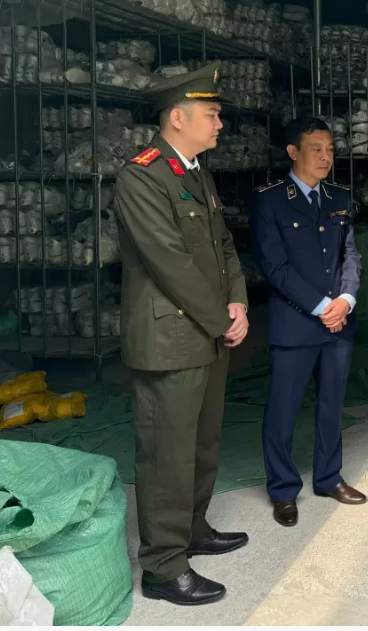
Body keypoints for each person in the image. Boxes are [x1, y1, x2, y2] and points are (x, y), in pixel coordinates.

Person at [113, 61, 250, 607]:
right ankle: (164, 567)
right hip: (170, 340)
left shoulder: (195, 174)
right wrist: (223, 319)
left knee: (202, 442)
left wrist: (237, 300)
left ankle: (192, 529)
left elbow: (223, 246)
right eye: (211, 115)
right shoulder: (142, 177)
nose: (219, 124)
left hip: (206, 333)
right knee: (167, 454)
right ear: (177, 117)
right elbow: (170, 263)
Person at [251, 116, 366, 529]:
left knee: (332, 403)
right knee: (283, 408)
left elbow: (350, 255)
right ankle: (283, 489)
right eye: (316, 149)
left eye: (330, 149)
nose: (325, 156)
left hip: (338, 321)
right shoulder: (270, 200)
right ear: (293, 152)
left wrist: (346, 299)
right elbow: (275, 267)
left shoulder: (339, 197)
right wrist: (322, 306)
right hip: (296, 322)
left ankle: (329, 477)